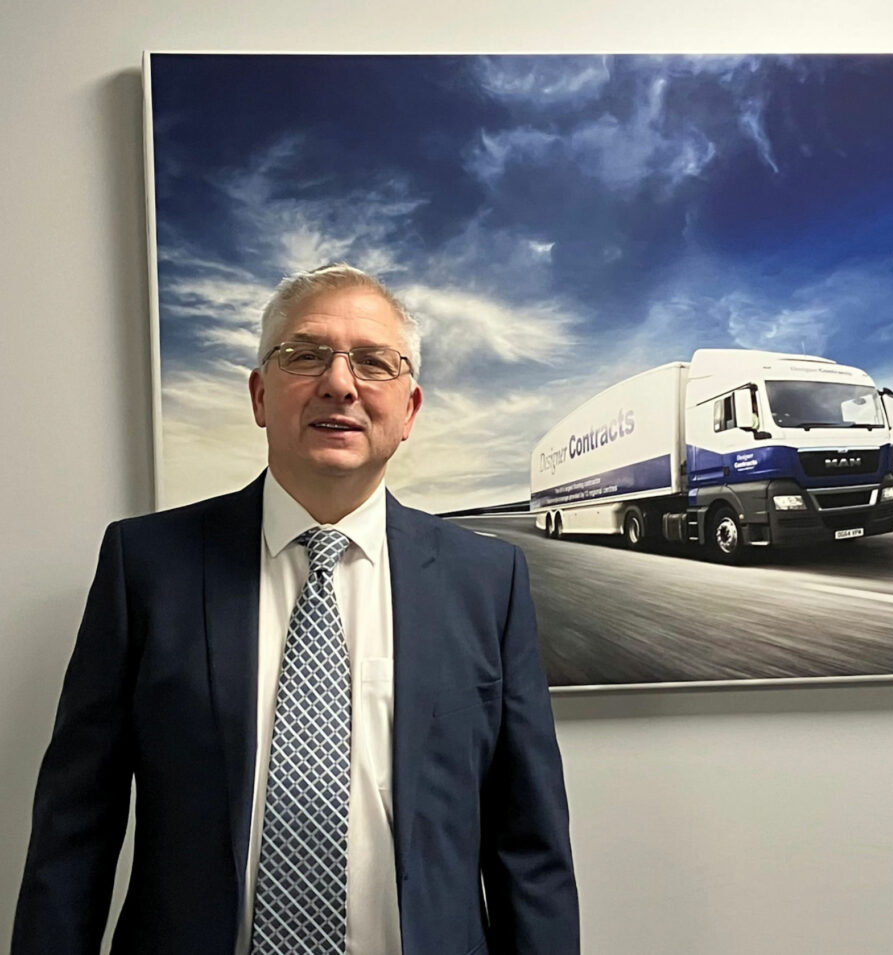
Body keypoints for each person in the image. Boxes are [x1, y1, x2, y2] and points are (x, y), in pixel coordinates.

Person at [13, 264, 579, 955]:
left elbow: (530, 847)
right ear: (259, 394)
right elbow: (75, 831)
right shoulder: (147, 566)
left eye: (374, 362)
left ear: (409, 410)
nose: (340, 383)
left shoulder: (488, 582)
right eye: (306, 355)